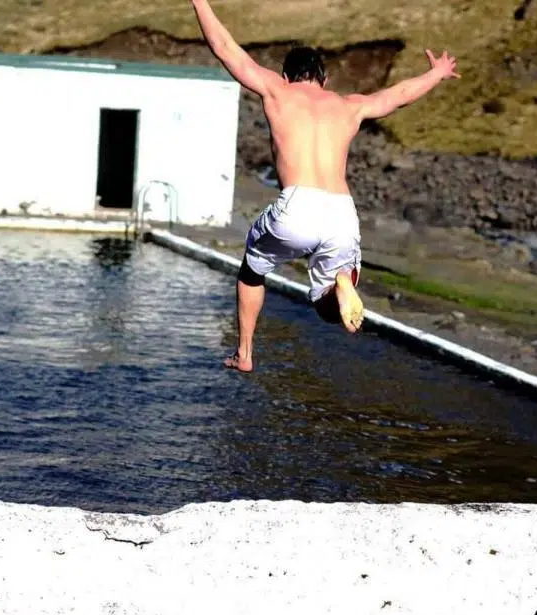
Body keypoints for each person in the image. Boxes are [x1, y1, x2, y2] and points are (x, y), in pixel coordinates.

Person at [190, 0, 459, 372]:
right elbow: (395, 97)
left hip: (296, 207)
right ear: (324, 80)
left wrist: (199, 2)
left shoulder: (276, 91)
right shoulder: (349, 105)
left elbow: (224, 48)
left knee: (253, 269)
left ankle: (246, 353)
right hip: (340, 212)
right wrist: (436, 73)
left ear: (286, 76)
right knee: (326, 308)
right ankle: (341, 285)